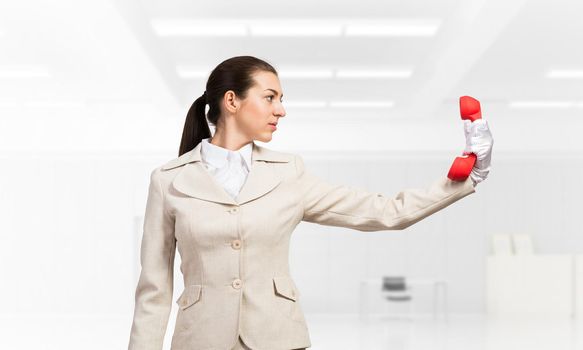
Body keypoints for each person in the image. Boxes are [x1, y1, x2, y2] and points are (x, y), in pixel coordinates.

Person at [128, 55, 493, 350]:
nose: (280, 110)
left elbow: (384, 211)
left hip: (277, 340)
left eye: (281, 100)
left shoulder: (288, 174)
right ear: (232, 101)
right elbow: (153, 291)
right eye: (269, 97)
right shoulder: (169, 180)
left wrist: (466, 179)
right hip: (199, 341)